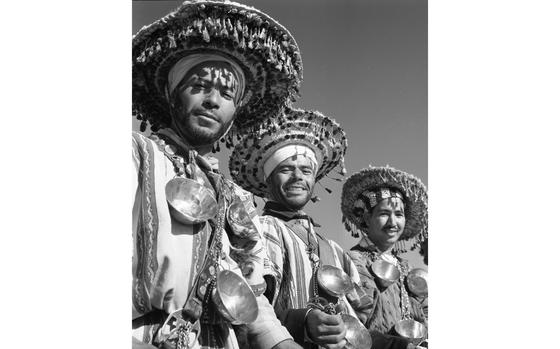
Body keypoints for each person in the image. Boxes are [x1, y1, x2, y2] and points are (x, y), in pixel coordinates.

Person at [131, 1, 304, 348]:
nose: (213, 100)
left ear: (235, 111)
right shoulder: (135, 155)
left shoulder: (234, 197)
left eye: (227, 93)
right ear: (171, 92)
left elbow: (253, 296)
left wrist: (282, 342)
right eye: (199, 86)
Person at [230, 108, 374, 349]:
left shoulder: (336, 251)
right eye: (286, 169)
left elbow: (359, 322)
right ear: (269, 179)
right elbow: (249, 307)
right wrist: (303, 321)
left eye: (306, 171)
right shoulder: (260, 230)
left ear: (313, 180)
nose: (298, 177)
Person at [341, 166, 429, 349]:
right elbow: (352, 323)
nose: (393, 222)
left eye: (398, 214)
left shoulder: (408, 269)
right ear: (366, 218)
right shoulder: (354, 261)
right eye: (383, 214)